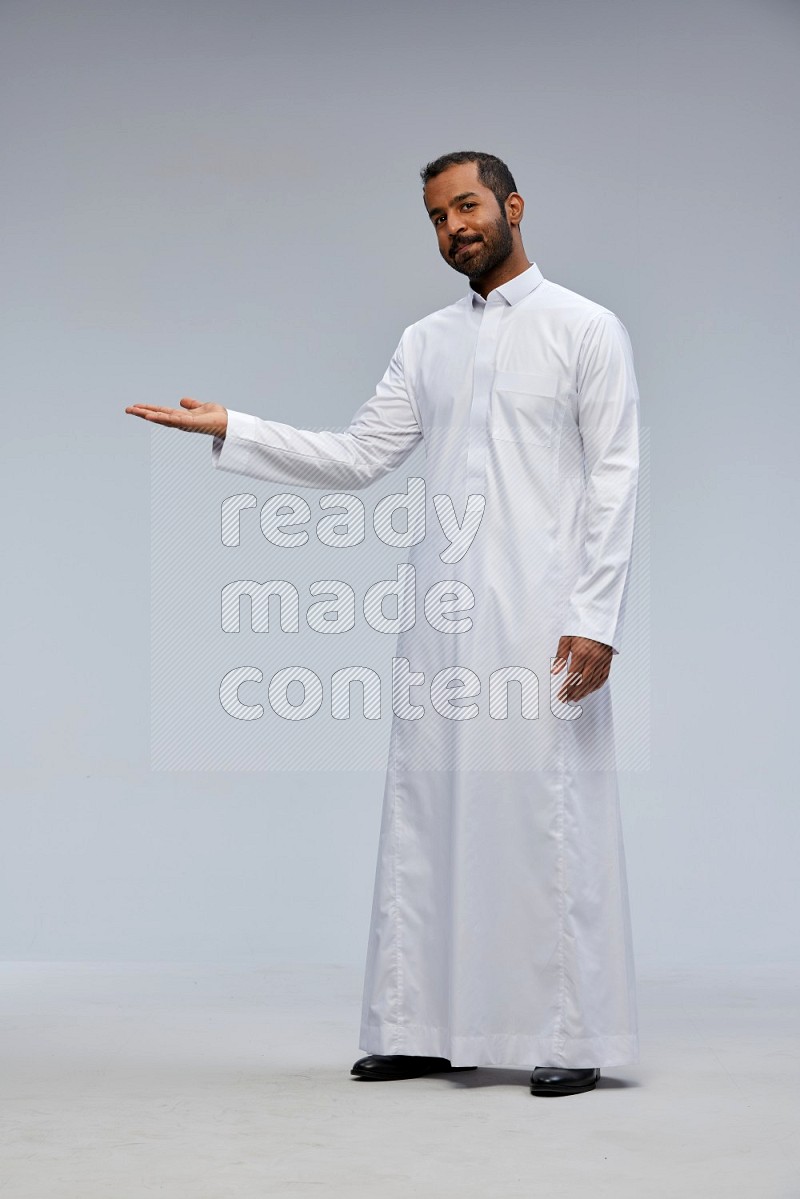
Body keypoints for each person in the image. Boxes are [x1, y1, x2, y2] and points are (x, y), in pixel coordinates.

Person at [126, 150, 641, 1098]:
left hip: (545, 615)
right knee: (430, 815)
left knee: (549, 815)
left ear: (513, 206)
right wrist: (233, 427)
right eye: (439, 217)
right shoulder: (426, 341)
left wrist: (596, 615)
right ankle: (422, 1025)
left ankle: (570, 1028)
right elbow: (361, 455)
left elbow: (614, 476)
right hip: (443, 616)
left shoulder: (585, 329)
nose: (456, 228)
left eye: (469, 207)